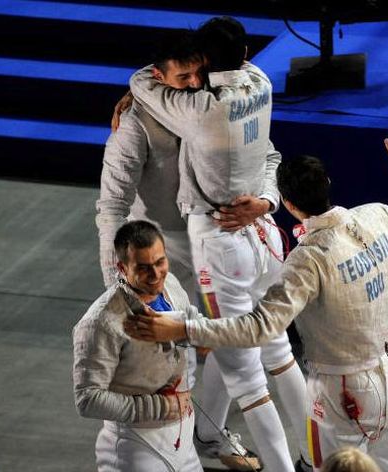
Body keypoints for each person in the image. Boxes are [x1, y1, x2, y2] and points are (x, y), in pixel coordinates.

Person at [124, 134, 388, 472]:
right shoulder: (377, 216)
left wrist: (183, 328)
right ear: (328, 183)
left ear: (289, 205)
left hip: (344, 391)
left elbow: (257, 328)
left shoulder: (308, 261)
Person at [129, 16, 310, 472]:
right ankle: (317, 457)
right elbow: (272, 152)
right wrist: (268, 202)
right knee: (278, 352)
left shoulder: (200, 108)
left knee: (244, 373)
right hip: (263, 232)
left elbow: (143, 81)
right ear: (246, 53)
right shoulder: (261, 79)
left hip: (218, 241)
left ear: (205, 63)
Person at [96, 29, 264, 471]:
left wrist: (266, 199)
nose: (194, 83)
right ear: (159, 76)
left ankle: (208, 434)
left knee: (238, 338)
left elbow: (267, 152)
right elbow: (111, 206)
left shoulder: (214, 98)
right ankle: (177, 452)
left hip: (221, 242)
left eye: (199, 73)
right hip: (164, 259)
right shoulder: (133, 125)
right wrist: (115, 281)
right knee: (175, 364)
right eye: (183, 75)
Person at [73, 220, 204, 472]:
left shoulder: (172, 286)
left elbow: (188, 324)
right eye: (143, 268)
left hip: (183, 438)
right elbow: (87, 399)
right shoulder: (100, 323)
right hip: (137, 447)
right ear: (122, 268)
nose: (155, 275)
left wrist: (201, 333)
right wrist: (162, 407)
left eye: (160, 262)